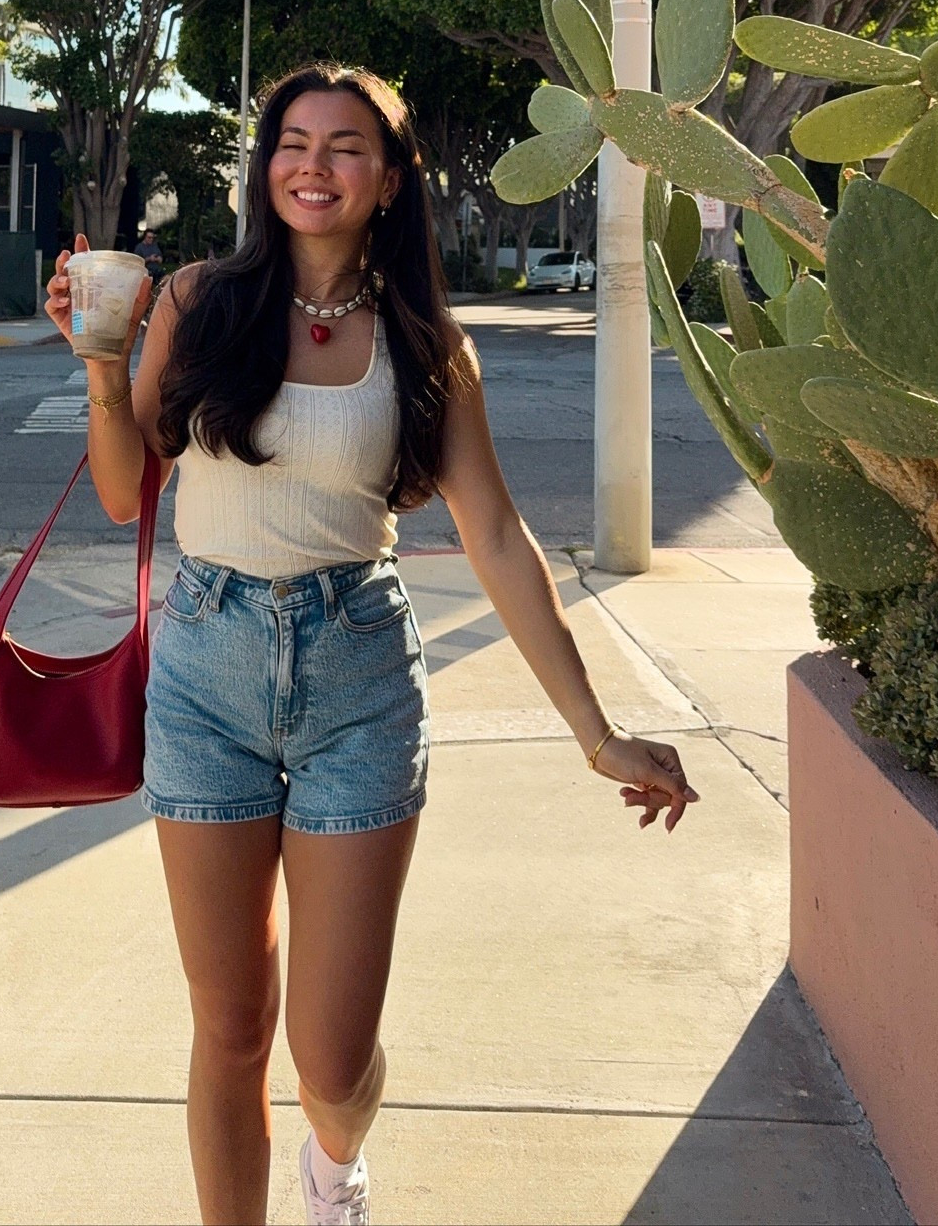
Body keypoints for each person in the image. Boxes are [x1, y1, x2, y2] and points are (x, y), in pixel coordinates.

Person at [46, 64, 697, 1226]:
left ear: (390, 178)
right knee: (230, 1023)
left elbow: (495, 532)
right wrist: (102, 358)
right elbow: (116, 488)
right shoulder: (198, 300)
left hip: (357, 677)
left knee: (331, 1061)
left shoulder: (428, 344)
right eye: (292, 142)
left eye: (344, 146)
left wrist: (596, 733)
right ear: (265, 166)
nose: (311, 164)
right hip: (205, 673)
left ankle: (335, 1162)